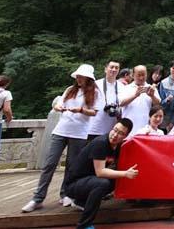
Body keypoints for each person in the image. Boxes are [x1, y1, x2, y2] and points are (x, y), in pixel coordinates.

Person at [22, 64, 101, 212]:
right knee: (50, 163)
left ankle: (66, 193)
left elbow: (94, 112)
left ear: (88, 78)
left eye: (81, 76)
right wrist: (59, 108)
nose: (78, 79)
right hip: (61, 130)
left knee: (71, 166)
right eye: (77, 76)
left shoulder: (95, 93)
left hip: (79, 133)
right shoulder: (70, 90)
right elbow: (58, 105)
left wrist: (81, 110)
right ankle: (38, 198)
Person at [64, 118, 139, 229]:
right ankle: (84, 225)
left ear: (125, 136)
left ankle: (81, 201)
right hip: (73, 184)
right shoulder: (101, 143)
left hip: (88, 180)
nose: (115, 135)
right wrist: (125, 174)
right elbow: (100, 172)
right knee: (102, 183)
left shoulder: (118, 146)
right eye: (115, 130)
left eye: (120, 133)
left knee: (114, 180)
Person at [119, 65, 160, 136]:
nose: (141, 78)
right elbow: (121, 103)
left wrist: (152, 96)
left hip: (145, 127)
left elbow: (157, 105)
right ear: (133, 75)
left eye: (143, 75)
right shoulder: (126, 88)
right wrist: (135, 95)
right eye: (139, 75)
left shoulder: (151, 88)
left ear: (146, 75)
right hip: (127, 127)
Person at [87, 60, 122, 141]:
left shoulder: (122, 87)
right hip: (94, 127)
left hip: (111, 129)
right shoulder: (95, 84)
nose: (114, 69)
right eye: (111, 67)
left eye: (116, 68)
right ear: (106, 69)